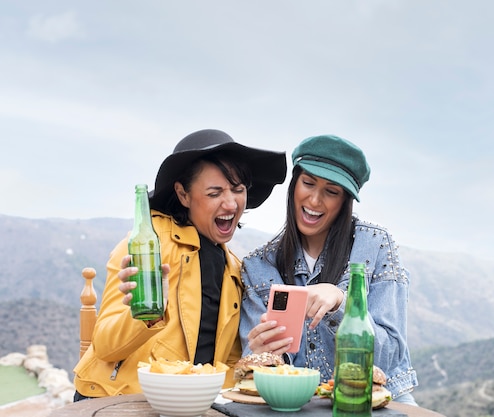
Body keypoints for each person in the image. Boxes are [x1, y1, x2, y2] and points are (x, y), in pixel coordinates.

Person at [73, 129, 287, 400]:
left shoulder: (234, 269)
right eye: (214, 193)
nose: (231, 203)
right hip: (116, 400)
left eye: (238, 190)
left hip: (186, 403)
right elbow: (104, 347)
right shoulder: (150, 247)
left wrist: (255, 359)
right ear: (183, 195)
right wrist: (145, 317)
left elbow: (226, 367)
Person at [239, 134, 419, 404]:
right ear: (294, 184)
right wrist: (265, 354)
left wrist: (341, 304)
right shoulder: (257, 266)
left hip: (377, 403)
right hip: (297, 403)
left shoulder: (375, 245)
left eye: (331, 191)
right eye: (308, 183)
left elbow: (389, 355)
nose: (314, 200)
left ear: (345, 201)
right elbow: (255, 368)